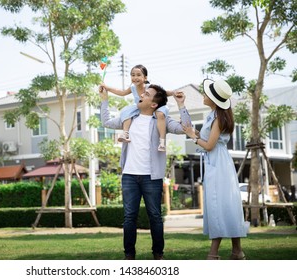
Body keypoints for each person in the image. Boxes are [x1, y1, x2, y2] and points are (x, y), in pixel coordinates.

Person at [99, 84, 192, 260]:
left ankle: (158, 254)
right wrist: (104, 100)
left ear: (154, 104)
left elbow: (185, 128)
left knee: (155, 216)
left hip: (152, 176)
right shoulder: (129, 117)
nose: (142, 93)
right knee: (129, 217)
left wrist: (181, 105)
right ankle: (129, 256)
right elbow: (105, 122)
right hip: (129, 176)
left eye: (147, 94)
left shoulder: (161, 119)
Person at [183, 79, 248, 260]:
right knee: (224, 204)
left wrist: (193, 138)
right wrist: (194, 133)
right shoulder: (212, 116)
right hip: (215, 162)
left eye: (206, 94)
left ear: (213, 99)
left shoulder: (218, 118)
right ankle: (237, 251)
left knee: (219, 204)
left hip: (218, 163)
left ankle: (214, 253)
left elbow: (210, 145)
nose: (203, 96)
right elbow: (208, 139)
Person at [101, 64, 174, 152]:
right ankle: (125, 134)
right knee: (126, 112)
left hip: (154, 106)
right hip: (140, 107)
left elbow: (164, 93)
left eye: (138, 75)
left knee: (161, 115)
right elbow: (122, 92)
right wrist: (107, 88)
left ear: (145, 78)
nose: (135, 77)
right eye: (133, 75)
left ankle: (162, 142)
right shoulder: (132, 88)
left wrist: (174, 93)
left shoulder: (149, 88)